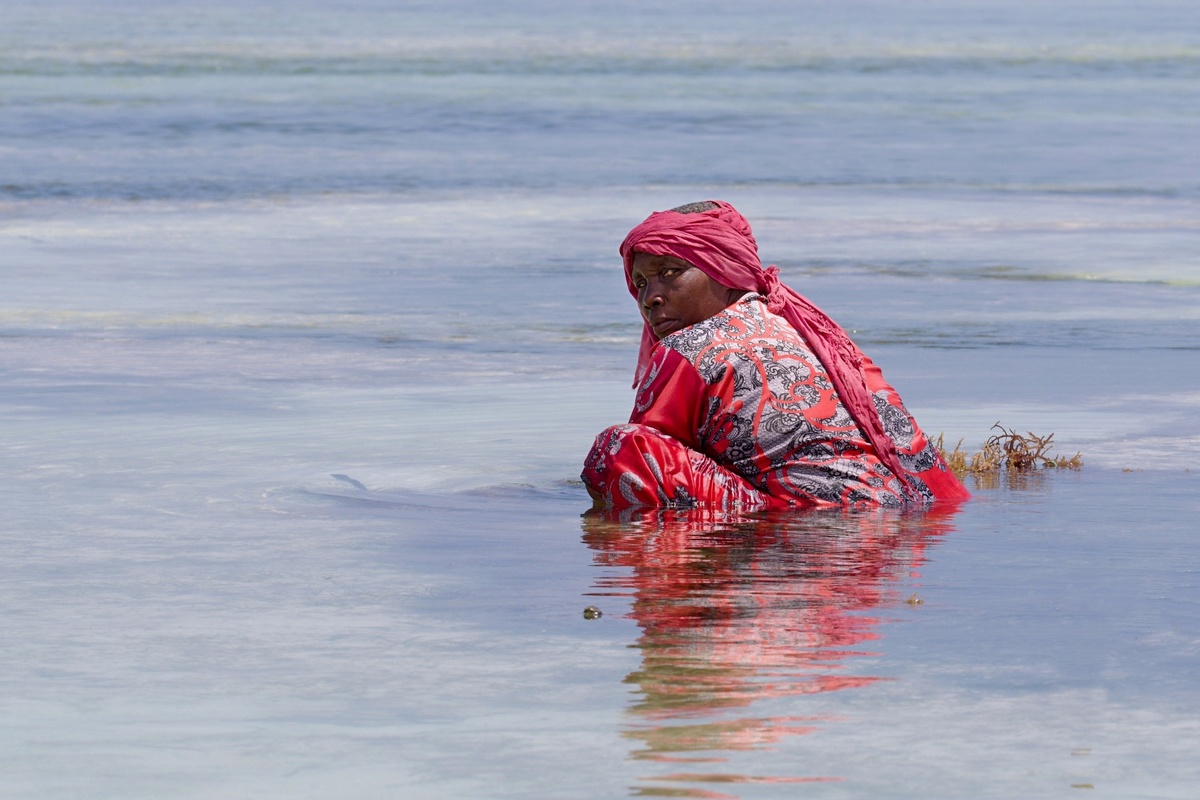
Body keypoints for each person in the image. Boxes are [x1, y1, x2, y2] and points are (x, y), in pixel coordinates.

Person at [581, 200, 969, 510]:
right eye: (640, 283)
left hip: (810, 525)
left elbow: (648, 458)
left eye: (669, 272)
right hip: (913, 518)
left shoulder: (687, 348)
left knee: (619, 449)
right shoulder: (817, 333)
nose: (650, 298)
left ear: (721, 266)